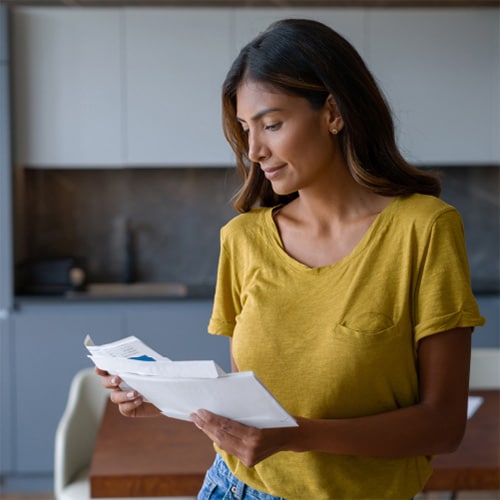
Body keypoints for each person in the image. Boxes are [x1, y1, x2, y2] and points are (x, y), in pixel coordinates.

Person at [98, 18, 485, 500]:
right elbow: (249, 403)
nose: (254, 150)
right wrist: (159, 396)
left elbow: (442, 427)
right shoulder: (243, 240)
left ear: (334, 113)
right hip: (234, 489)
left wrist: (300, 436)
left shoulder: (424, 229)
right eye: (245, 129)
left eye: (272, 124)